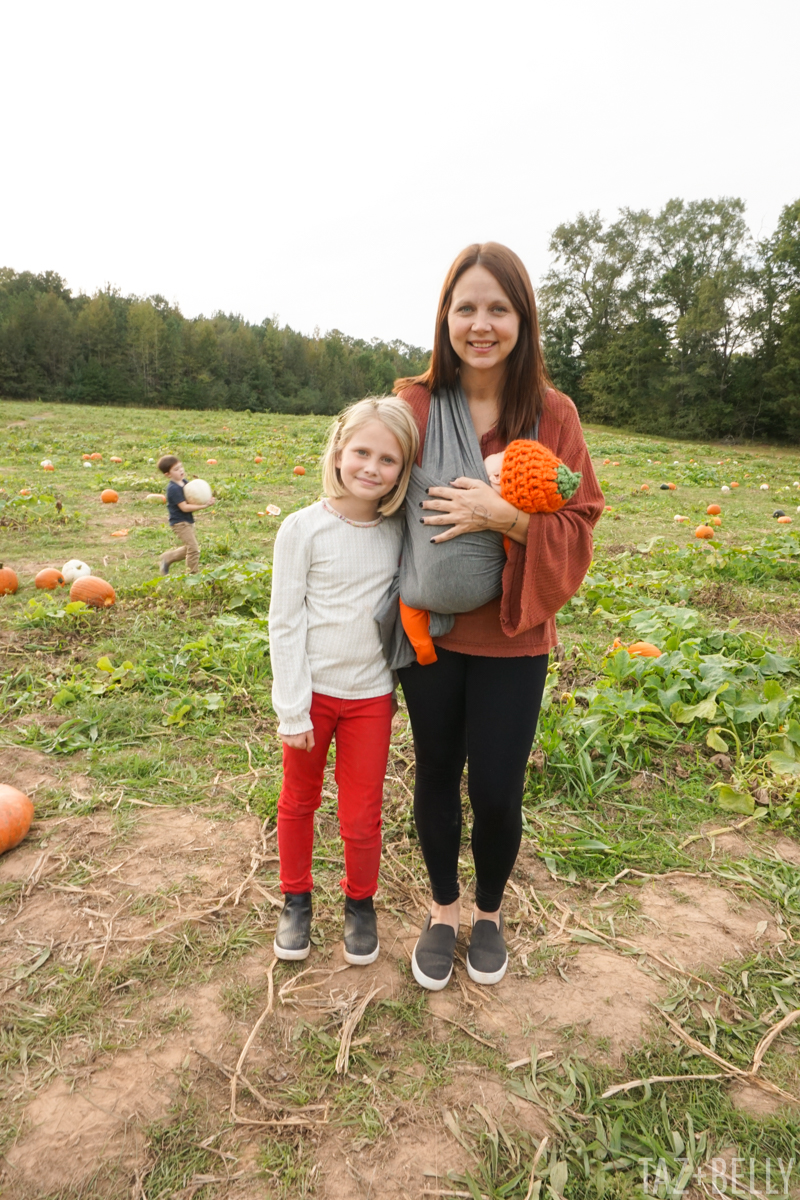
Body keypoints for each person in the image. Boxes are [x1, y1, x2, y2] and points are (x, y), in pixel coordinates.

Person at [393, 242, 604, 991]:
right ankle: (442, 910)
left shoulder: (552, 414)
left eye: (498, 309)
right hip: (433, 636)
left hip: (515, 639)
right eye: (467, 307)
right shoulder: (412, 405)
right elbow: (371, 495)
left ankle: (487, 912)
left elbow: (580, 521)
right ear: (446, 315)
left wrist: (506, 517)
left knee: (497, 789)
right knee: (437, 773)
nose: (481, 324)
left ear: (523, 318)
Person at [268, 396, 419, 965]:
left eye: (388, 460)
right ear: (337, 449)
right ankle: (296, 898)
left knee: (361, 813)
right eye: (361, 451)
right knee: (300, 799)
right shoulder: (302, 529)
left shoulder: (398, 530)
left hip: (371, 698)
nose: (371, 468)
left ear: (403, 473)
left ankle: (360, 903)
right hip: (312, 698)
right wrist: (293, 709)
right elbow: (284, 623)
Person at [157, 455, 215, 575]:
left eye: (181, 467)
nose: (181, 470)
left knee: (189, 548)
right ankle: (193, 574)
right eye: (176, 469)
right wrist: (204, 506)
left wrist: (206, 500)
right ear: (168, 474)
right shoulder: (173, 489)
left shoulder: (185, 483)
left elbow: (192, 499)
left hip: (188, 521)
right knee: (193, 548)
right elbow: (184, 507)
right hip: (179, 523)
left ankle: (167, 558)